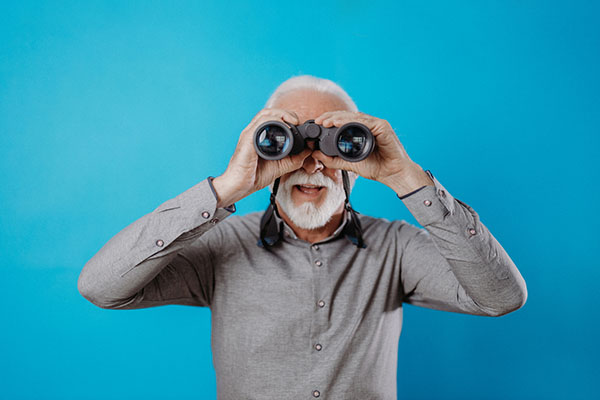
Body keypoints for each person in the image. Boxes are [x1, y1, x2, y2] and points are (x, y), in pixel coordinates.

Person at [78, 75, 527, 399]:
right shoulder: (222, 247)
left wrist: (407, 178)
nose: (311, 164)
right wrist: (225, 188)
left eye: (337, 144)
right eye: (290, 143)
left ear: (358, 161)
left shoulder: (396, 248)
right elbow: (101, 286)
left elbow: (500, 297)